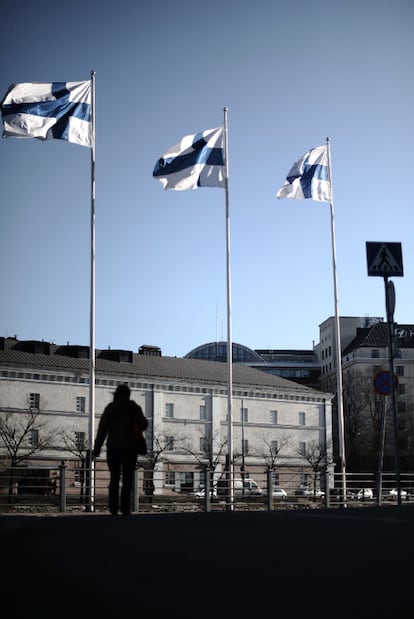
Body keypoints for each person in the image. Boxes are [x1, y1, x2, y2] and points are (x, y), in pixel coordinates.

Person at [92, 384, 148, 516]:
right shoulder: (134, 408)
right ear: (128, 394)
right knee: (128, 478)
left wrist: (97, 448)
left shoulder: (110, 409)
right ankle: (125, 507)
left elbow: (102, 430)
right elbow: (144, 424)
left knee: (114, 478)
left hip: (113, 447)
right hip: (130, 448)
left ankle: (113, 507)